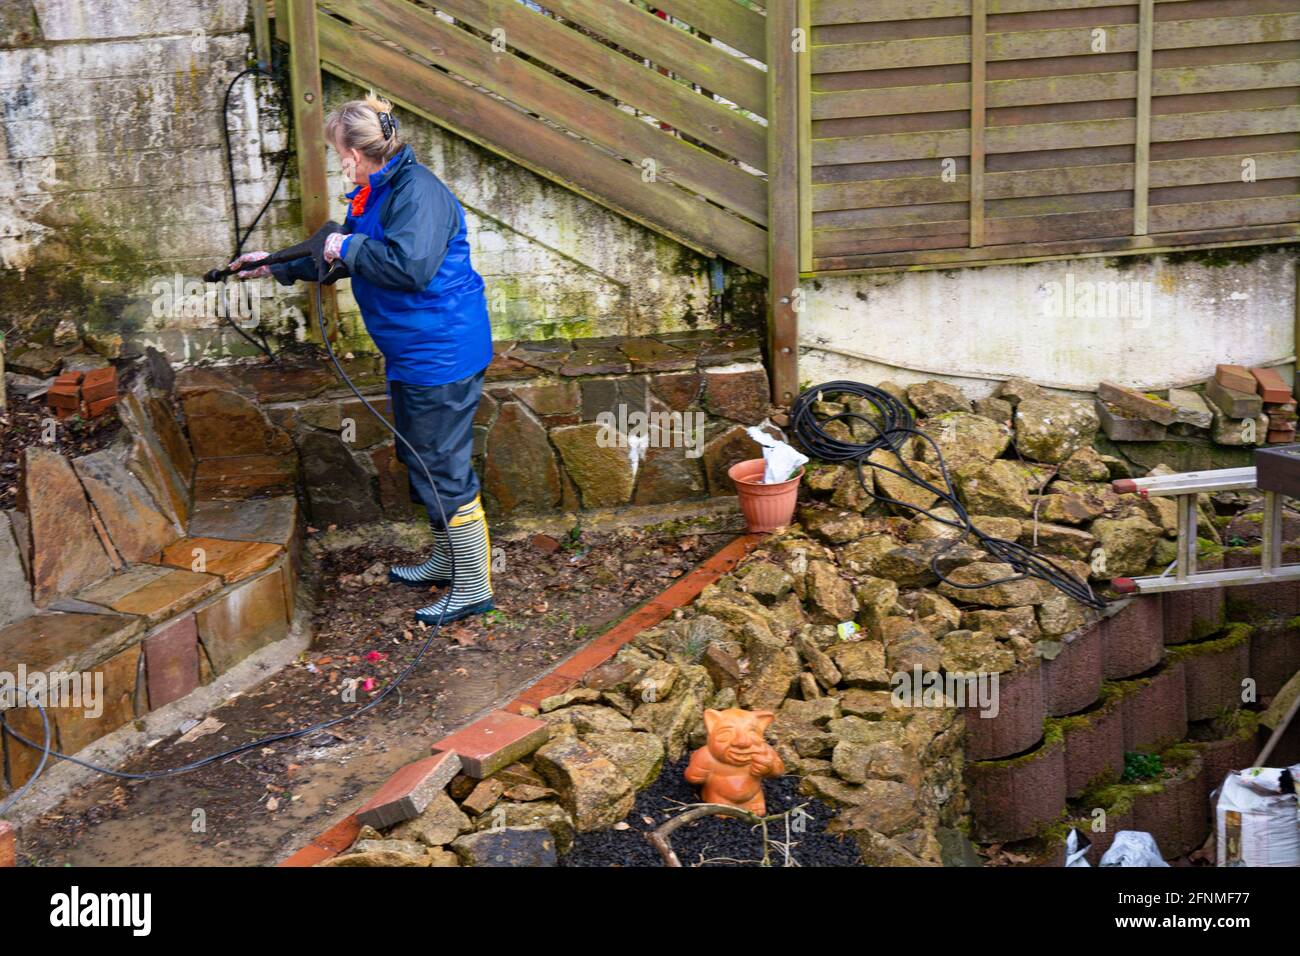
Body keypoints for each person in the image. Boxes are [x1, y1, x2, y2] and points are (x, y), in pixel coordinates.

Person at [228, 95, 495, 624]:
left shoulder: (417, 194)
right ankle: (447, 560)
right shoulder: (381, 190)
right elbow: (350, 251)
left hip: (441, 351)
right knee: (420, 457)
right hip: (414, 351)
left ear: (352, 152)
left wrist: (344, 250)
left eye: (337, 151)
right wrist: (276, 265)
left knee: (442, 464)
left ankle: (474, 585)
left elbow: (409, 267)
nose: (338, 161)